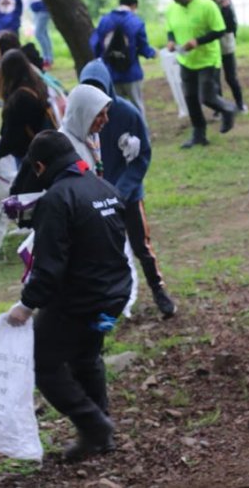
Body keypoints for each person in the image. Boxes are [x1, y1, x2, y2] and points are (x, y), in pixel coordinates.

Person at [6, 131, 132, 462]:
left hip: (82, 302)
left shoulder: (57, 200)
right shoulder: (104, 188)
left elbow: (48, 269)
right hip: (114, 299)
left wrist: (25, 305)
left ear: (41, 166)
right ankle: (102, 435)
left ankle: (94, 425)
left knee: (43, 362)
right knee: (87, 355)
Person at [79, 59, 178, 318]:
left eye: (98, 89)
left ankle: (158, 289)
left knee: (140, 245)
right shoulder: (79, 118)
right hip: (96, 198)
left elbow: (141, 155)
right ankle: (112, 300)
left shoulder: (127, 114)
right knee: (103, 251)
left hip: (128, 195)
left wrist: (121, 190)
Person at [164, 0, 237, 148]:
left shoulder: (207, 5)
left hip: (208, 60)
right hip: (186, 60)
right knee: (190, 98)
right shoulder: (172, 9)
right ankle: (199, 134)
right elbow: (170, 29)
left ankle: (228, 109)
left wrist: (197, 41)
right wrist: (171, 41)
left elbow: (219, 30)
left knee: (207, 97)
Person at [89, 0, 157, 120]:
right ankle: (141, 137)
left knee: (115, 109)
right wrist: (152, 53)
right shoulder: (136, 22)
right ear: (134, 5)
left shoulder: (105, 20)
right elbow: (143, 47)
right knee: (137, 107)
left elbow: (95, 44)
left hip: (111, 73)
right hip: (132, 73)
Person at [0, 49, 56, 165]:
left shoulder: (19, 99)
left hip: (28, 154)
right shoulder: (37, 85)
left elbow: (12, 135)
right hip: (43, 147)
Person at [201, 0, 246, 113]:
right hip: (211, 48)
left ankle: (240, 105)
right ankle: (219, 108)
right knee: (214, 80)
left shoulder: (225, 2)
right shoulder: (204, 0)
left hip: (226, 46)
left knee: (231, 78)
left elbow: (231, 26)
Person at [17, 0, 53, 67]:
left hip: (43, 10)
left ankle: (47, 58)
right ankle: (48, 57)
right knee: (44, 33)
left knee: (39, 33)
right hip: (37, 10)